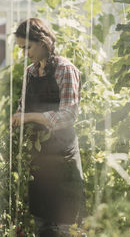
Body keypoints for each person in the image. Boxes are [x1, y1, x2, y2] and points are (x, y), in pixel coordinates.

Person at [12, 18, 86, 237]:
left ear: (43, 41)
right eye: (21, 48)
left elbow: (68, 115)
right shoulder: (30, 72)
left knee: (65, 225)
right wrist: (17, 119)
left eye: (28, 47)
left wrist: (29, 117)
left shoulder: (65, 69)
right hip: (39, 160)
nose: (25, 53)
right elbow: (22, 108)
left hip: (62, 158)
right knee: (42, 224)